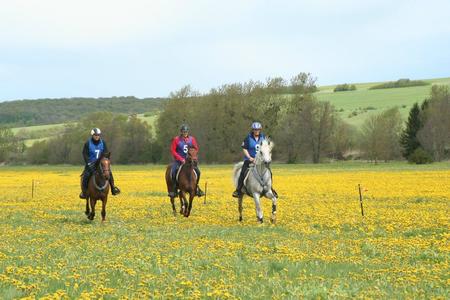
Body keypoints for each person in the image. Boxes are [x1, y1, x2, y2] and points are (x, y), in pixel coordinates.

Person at [232, 122, 277, 198]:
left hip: (260, 161)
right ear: (252, 130)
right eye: (255, 130)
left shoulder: (263, 138)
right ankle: (238, 190)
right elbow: (244, 148)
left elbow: (267, 148)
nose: (256, 131)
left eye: (258, 130)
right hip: (250, 159)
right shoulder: (248, 138)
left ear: (260, 130)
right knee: (243, 172)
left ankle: (270, 188)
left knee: (269, 173)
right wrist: (249, 157)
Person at [79, 128, 120, 199]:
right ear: (92, 135)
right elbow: (85, 154)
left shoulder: (103, 142)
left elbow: (106, 153)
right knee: (86, 175)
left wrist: (105, 161)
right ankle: (84, 192)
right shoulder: (87, 143)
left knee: (109, 173)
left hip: (101, 164)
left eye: (98, 135)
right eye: (95, 135)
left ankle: (113, 189)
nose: (97, 136)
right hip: (91, 164)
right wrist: (88, 162)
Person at [169, 124, 205, 197]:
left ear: (188, 132)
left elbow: (196, 148)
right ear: (181, 132)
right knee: (173, 171)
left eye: (186, 132)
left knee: (198, 172)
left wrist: (192, 155)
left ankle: (196, 187)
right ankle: (174, 189)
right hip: (179, 161)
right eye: (183, 132)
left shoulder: (192, 139)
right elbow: (173, 151)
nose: (185, 133)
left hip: (189, 161)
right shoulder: (176, 139)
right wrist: (181, 159)